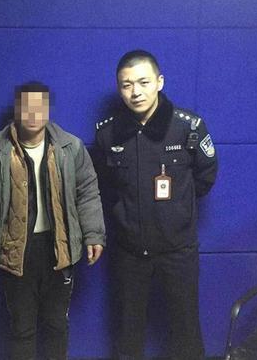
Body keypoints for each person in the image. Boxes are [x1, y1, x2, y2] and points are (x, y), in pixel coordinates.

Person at [0, 82, 106, 360]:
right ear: (16, 109)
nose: (33, 114)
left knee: (56, 325)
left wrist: (94, 234)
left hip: (59, 249)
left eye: (39, 107)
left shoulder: (71, 147)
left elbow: (88, 192)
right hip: (16, 251)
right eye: (26, 107)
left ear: (48, 109)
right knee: (21, 328)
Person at [95, 50, 218, 360]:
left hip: (178, 250)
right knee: (128, 334)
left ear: (160, 82)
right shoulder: (107, 133)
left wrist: (176, 211)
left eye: (144, 82)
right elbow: (104, 186)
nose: (135, 92)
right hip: (130, 252)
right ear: (119, 88)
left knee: (186, 333)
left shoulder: (188, 127)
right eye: (126, 85)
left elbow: (205, 177)